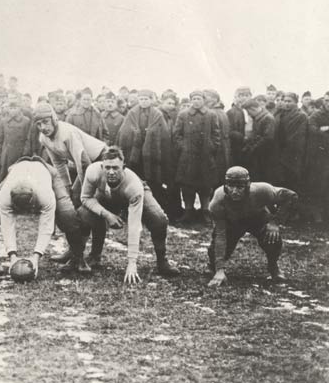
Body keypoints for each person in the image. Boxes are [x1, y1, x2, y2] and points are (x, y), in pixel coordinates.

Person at [77, 146, 179, 283]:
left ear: (123, 167)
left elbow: (134, 226)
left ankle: (162, 260)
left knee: (158, 219)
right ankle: (93, 255)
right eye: (107, 168)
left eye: (115, 168)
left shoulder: (134, 186)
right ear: (102, 167)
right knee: (83, 213)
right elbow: (85, 198)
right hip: (106, 196)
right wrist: (107, 215)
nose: (111, 172)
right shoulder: (93, 172)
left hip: (131, 194)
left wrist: (132, 263)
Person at [0, 157, 90, 278]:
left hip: (47, 171)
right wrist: (12, 256)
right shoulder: (4, 196)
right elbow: (7, 226)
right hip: (16, 169)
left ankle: (78, 257)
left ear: (33, 198)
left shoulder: (44, 193)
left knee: (68, 216)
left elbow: (46, 227)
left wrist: (36, 257)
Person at [207, 166, 297, 287]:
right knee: (214, 253)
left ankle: (273, 266)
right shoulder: (218, 201)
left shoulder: (262, 190)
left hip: (258, 219)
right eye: (231, 186)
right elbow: (221, 235)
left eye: (239, 187)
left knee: (273, 238)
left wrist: (274, 222)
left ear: (248, 186)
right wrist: (219, 270)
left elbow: (290, 196)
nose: (234, 191)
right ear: (225, 186)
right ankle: (213, 266)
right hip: (233, 224)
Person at [34, 101, 108, 203]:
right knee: (73, 197)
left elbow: (83, 163)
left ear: (54, 119)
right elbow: (58, 163)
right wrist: (67, 187)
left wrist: (86, 193)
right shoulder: (43, 138)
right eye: (38, 124)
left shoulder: (66, 132)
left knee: (98, 196)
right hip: (85, 163)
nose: (42, 127)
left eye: (46, 121)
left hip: (101, 157)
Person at [116, 89, 173, 202]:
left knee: (152, 179)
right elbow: (124, 132)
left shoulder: (157, 114)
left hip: (152, 153)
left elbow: (164, 134)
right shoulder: (132, 113)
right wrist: (136, 133)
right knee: (136, 177)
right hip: (135, 153)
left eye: (146, 99)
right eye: (141, 99)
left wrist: (150, 133)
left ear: (151, 100)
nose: (143, 101)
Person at [172, 91, 221, 224]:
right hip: (188, 157)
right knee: (187, 186)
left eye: (199, 98)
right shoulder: (183, 114)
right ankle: (188, 211)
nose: (196, 101)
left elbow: (216, 134)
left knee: (206, 186)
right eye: (193, 98)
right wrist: (183, 147)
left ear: (203, 100)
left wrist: (211, 147)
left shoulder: (211, 115)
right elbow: (177, 134)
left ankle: (205, 212)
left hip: (205, 156)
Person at [0, 99, 31, 181]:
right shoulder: (3, 121)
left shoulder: (26, 121)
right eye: (11, 108)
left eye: (15, 108)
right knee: (5, 177)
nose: (12, 110)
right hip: (6, 154)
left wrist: (25, 154)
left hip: (20, 155)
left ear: (19, 109)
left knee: (20, 177)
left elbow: (28, 139)